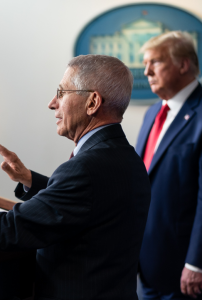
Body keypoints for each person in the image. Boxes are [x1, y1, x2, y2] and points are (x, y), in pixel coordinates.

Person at [0, 54, 151, 300]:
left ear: (92, 102)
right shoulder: (123, 157)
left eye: (61, 93)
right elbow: (83, 206)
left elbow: (12, 230)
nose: (52, 103)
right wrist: (30, 179)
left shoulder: (87, 169)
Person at [136, 31, 202, 300]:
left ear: (183, 64)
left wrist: (196, 262)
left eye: (156, 62)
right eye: (145, 64)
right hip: (145, 263)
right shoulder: (153, 112)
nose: (147, 71)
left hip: (186, 269)